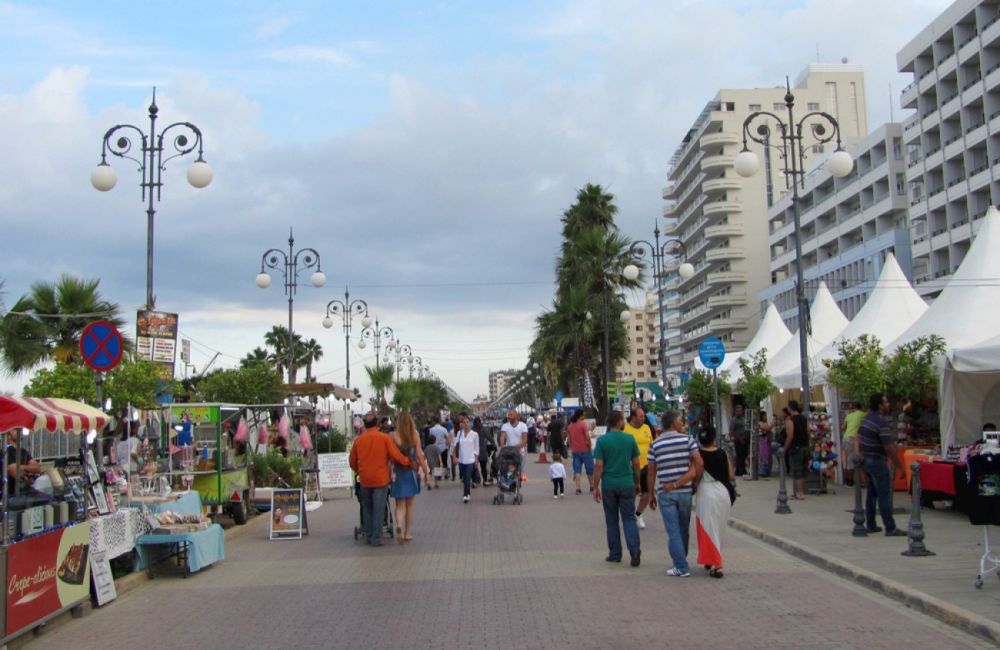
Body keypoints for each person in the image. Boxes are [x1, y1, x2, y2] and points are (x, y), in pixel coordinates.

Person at [647, 409, 703, 577]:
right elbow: (699, 462)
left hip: (666, 492)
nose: (682, 423)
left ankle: (681, 565)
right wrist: (695, 480)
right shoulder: (688, 440)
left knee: (673, 530)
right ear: (673, 424)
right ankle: (681, 560)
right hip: (685, 491)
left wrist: (650, 494)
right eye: (679, 421)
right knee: (683, 529)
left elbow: (651, 472)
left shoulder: (655, 444)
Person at [349, 412, 414, 546]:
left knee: (366, 507)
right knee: (379, 507)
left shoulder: (359, 440)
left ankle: (369, 534)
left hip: (365, 479)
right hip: (380, 479)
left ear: (365, 425)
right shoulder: (384, 438)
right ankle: (376, 538)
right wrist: (408, 462)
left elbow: (352, 461)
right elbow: (396, 455)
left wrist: (359, 470)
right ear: (377, 424)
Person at [592, 411, 641, 567]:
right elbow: (636, 463)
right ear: (619, 422)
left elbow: (599, 465)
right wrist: (637, 481)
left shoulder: (602, 441)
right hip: (627, 483)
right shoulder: (629, 439)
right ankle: (634, 550)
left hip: (609, 485)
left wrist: (595, 486)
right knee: (629, 519)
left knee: (612, 520)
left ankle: (615, 554)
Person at [859, 393, 907, 536]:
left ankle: (871, 524)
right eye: (885, 402)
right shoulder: (880, 422)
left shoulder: (867, 419)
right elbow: (888, 446)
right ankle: (890, 527)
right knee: (883, 495)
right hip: (877, 460)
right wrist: (900, 466)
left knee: (872, 493)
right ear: (880, 405)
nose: (888, 404)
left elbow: (860, 436)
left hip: (867, 459)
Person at [695, 425, 734, 579]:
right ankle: (710, 558)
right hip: (723, 492)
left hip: (706, 492)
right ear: (713, 439)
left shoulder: (698, 455)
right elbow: (731, 474)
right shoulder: (722, 453)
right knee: (718, 527)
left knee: (708, 528)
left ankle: (717, 564)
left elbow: (697, 474)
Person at [390, 412, 431, 542]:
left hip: (397, 472)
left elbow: (389, 456)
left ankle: (399, 526)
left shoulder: (392, 436)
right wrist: (426, 473)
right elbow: (419, 455)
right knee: (410, 505)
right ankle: (408, 533)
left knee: (400, 504)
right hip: (411, 472)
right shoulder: (415, 435)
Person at [623, 407, 654, 530]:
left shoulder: (646, 428)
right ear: (634, 417)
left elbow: (652, 444)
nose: (643, 418)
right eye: (641, 416)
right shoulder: (626, 429)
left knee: (646, 493)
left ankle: (638, 514)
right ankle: (629, 515)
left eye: (644, 416)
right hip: (630, 466)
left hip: (646, 465)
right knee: (631, 493)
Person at [783, 400, 809, 500]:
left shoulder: (791, 420)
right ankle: (801, 491)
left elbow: (790, 435)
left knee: (797, 471)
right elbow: (808, 433)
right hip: (805, 446)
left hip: (796, 447)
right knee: (804, 470)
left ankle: (799, 493)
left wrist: (785, 448)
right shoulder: (804, 419)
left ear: (790, 408)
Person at [6, 429, 42, 495]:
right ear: (8, 435)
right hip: (12, 494)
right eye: (15, 430)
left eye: (20, 429)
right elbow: (15, 472)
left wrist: (22, 468)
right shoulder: (6, 451)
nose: (20, 431)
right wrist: (29, 470)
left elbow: (38, 468)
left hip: (27, 491)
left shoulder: (23, 451)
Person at [567, 409, 594, 494]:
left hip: (575, 451)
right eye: (583, 414)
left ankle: (578, 488)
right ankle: (592, 486)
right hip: (585, 450)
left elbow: (568, 440)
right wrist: (589, 446)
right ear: (581, 415)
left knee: (577, 470)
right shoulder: (583, 424)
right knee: (589, 469)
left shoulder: (570, 426)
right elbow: (587, 437)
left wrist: (571, 447)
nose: (584, 416)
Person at [454, 416, 479, 503]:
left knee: (468, 477)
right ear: (462, 424)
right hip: (461, 459)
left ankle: (465, 495)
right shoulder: (459, 433)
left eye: (467, 422)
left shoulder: (474, 434)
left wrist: (476, 460)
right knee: (465, 478)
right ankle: (468, 493)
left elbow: (476, 448)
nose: (466, 424)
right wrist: (455, 457)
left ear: (470, 423)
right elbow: (455, 446)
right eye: (464, 422)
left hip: (470, 460)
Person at [499, 409, 528, 480]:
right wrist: (502, 446)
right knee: (507, 466)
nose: (509, 416)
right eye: (508, 415)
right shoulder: (505, 426)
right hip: (509, 451)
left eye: (511, 415)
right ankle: (508, 479)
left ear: (516, 415)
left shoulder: (523, 426)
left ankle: (520, 477)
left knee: (520, 468)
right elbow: (502, 437)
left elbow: (524, 439)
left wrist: (519, 446)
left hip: (520, 451)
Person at [843, 401, 866, 487]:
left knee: (848, 459)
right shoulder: (862, 414)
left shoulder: (849, 415)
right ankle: (851, 481)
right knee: (853, 460)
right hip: (853, 438)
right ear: (861, 407)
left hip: (846, 438)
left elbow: (843, 427)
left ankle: (848, 481)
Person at [474, 417, 495, 486]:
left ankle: (475, 481)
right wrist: (494, 444)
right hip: (482, 451)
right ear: (480, 422)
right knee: (483, 467)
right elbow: (489, 437)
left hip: (474, 452)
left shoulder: (473, 430)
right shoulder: (483, 429)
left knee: (474, 467)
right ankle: (485, 480)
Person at [730, 404, 749, 477]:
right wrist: (739, 438)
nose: (739, 412)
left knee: (744, 454)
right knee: (740, 455)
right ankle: (741, 470)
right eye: (738, 410)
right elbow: (731, 431)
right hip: (739, 440)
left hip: (745, 439)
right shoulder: (734, 420)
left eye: (740, 410)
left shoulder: (743, 419)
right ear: (736, 411)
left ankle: (739, 470)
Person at [756, 411, 772, 478]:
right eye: (764, 416)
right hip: (762, 440)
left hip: (766, 440)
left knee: (766, 456)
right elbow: (767, 428)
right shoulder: (760, 423)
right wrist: (772, 424)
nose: (765, 417)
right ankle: (762, 471)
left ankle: (766, 470)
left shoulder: (765, 423)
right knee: (763, 456)